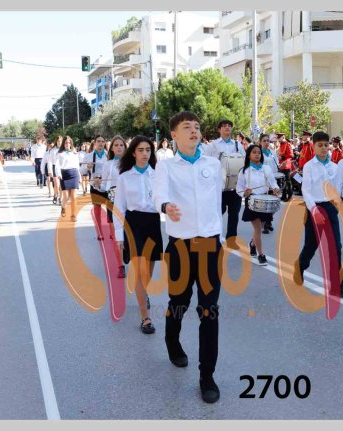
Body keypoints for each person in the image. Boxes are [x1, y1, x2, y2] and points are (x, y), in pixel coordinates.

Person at [153, 111, 223, 404]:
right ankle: (172, 341)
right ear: (174, 135)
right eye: (187, 127)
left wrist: (217, 235)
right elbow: (158, 195)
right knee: (179, 302)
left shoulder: (213, 164)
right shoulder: (166, 166)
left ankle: (207, 376)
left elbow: (217, 201)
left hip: (209, 245)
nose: (194, 131)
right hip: (180, 246)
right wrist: (166, 206)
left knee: (209, 310)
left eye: (196, 127)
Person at [113, 136, 162, 334]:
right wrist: (119, 236)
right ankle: (145, 317)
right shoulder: (124, 177)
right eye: (140, 150)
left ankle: (143, 293)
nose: (145, 154)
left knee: (148, 272)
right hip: (133, 224)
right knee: (141, 271)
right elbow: (119, 207)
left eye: (148, 150)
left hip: (153, 223)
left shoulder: (158, 175)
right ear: (133, 153)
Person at [294, 131, 343, 298]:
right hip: (315, 207)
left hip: (330, 207)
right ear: (314, 146)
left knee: (335, 247)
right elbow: (306, 190)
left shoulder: (335, 167)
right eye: (320, 145)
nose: (324, 148)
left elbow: (338, 187)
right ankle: (300, 266)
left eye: (326, 145)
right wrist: (313, 209)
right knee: (312, 245)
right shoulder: (309, 166)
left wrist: (336, 203)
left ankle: (337, 284)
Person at [237, 144, 281, 265]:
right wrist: (244, 193)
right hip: (252, 201)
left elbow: (273, 183)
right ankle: (261, 254)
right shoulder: (244, 171)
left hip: (265, 200)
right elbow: (239, 188)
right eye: (254, 152)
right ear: (249, 155)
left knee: (260, 228)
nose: (257, 154)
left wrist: (276, 189)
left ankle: (252, 244)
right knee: (257, 229)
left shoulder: (266, 168)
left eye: (259, 152)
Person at [203, 119, 244, 246]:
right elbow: (205, 162)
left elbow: (244, 161)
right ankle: (215, 238)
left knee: (234, 214)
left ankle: (231, 240)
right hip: (218, 186)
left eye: (229, 126)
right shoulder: (213, 145)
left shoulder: (237, 145)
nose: (227, 128)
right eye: (224, 126)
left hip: (234, 186)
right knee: (217, 213)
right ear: (219, 129)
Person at [100, 135, 129, 278]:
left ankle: (129, 255)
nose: (119, 147)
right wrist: (97, 184)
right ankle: (120, 265)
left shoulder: (131, 163)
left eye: (121, 145)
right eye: (116, 145)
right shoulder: (108, 164)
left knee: (129, 232)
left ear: (125, 147)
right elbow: (103, 185)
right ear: (111, 148)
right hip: (112, 198)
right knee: (116, 233)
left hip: (129, 200)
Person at [84, 135, 109, 240]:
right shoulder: (89, 156)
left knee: (110, 210)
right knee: (97, 209)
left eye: (102, 141)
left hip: (107, 185)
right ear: (95, 143)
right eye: (98, 141)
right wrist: (87, 167)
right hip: (95, 185)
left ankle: (112, 230)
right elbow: (82, 171)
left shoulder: (109, 155)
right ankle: (100, 233)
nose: (100, 143)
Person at [55, 136, 81, 222]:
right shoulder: (59, 153)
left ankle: (73, 215)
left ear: (71, 144)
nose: (67, 144)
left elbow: (77, 166)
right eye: (66, 143)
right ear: (63, 144)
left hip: (74, 174)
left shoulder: (74, 153)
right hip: (64, 175)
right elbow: (57, 166)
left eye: (69, 143)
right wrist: (58, 174)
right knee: (66, 196)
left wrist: (79, 177)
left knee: (74, 196)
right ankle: (63, 207)